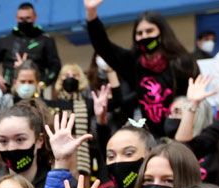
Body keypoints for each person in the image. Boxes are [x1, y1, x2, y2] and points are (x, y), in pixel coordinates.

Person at [84, 0, 199, 137]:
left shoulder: (182, 62)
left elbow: (197, 99)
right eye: (139, 33)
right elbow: (104, 46)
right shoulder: (134, 64)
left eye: (149, 31)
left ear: (161, 33)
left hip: (183, 134)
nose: (144, 36)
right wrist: (92, 14)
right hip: (152, 138)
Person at [0, 2, 62, 94]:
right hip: (9, 91)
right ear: (16, 18)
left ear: (34, 17)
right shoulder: (5, 40)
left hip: (35, 91)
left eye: (28, 18)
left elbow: (55, 66)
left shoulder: (45, 40)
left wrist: (43, 83)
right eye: (21, 19)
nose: (24, 21)